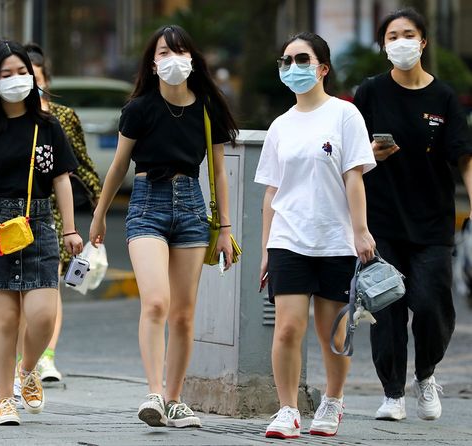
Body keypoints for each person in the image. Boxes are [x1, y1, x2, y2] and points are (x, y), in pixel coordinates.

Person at [89, 25, 237, 429]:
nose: (173, 59)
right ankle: (153, 392)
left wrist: (225, 227)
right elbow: (119, 164)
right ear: (152, 64)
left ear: (193, 59)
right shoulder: (139, 108)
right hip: (147, 205)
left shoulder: (208, 107)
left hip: (191, 207)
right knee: (156, 301)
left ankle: (175, 399)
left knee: (185, 315)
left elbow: (219, 173)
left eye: (180, 51)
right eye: (163, 53)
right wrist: (100, 214)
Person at [0, 40, 83, 426]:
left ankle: (28, 370)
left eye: (21, 72)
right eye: (5, 74)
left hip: (40, 224)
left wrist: (71, 229)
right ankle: (5, 399)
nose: (16, 79)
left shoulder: (48, 126)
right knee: (5, 320)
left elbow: (62, 180)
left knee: (43, 314)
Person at [255, 32, 376, 439]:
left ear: (323, 67)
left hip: (335, 240)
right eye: (286, 60)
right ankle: (287, 409)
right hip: (288, 238)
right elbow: (272, 191)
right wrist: (266, 250)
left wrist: (360, 232)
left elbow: (354, 176)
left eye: (302, 59)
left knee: (332, 333)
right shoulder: (280, 125)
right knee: (288, 327)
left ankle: (333, 401)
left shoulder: (345, 115)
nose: (293, 67)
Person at [353, 7, 472, 422]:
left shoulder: (443, 97)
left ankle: (426, 375)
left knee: (430, 305)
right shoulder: (368, 93)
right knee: (385, 308)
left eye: (408, 34)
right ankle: (392, 394)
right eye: (392, 36)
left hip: (432, 223)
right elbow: (348, 156)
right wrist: (371, 153)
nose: (400, 42)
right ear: (383, 46)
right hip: (380, 222)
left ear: (423, 42)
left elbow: (464, 158)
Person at [15, 42, 102, 384]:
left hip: (50, 218)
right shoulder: (5, 118)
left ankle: (45, 357)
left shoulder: (62, 118)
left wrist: (98, 204)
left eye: (34, 78)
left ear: (46, 80)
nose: (30, 85)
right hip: (12, 220)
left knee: (48, 288)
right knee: (19, 293)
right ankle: (22, 359)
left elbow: (80, 165)